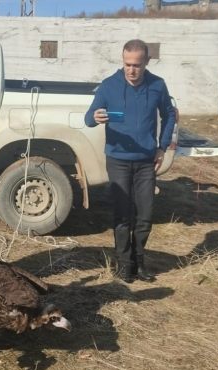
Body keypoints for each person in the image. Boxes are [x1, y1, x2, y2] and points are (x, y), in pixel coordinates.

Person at [84, 39, 177, 283]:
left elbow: (169, 115)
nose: (131, 70)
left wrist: (162, 146)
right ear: (122, 61)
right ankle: (124, 264)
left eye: (137, 65)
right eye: (127, 64)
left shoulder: (158, 85)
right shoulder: (108, 86)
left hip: (147, 161)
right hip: (118, 160)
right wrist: (95, 116)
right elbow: (88, 119)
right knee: (122, 215)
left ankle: (139, 262)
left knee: (145, 215)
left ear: (147, 62)